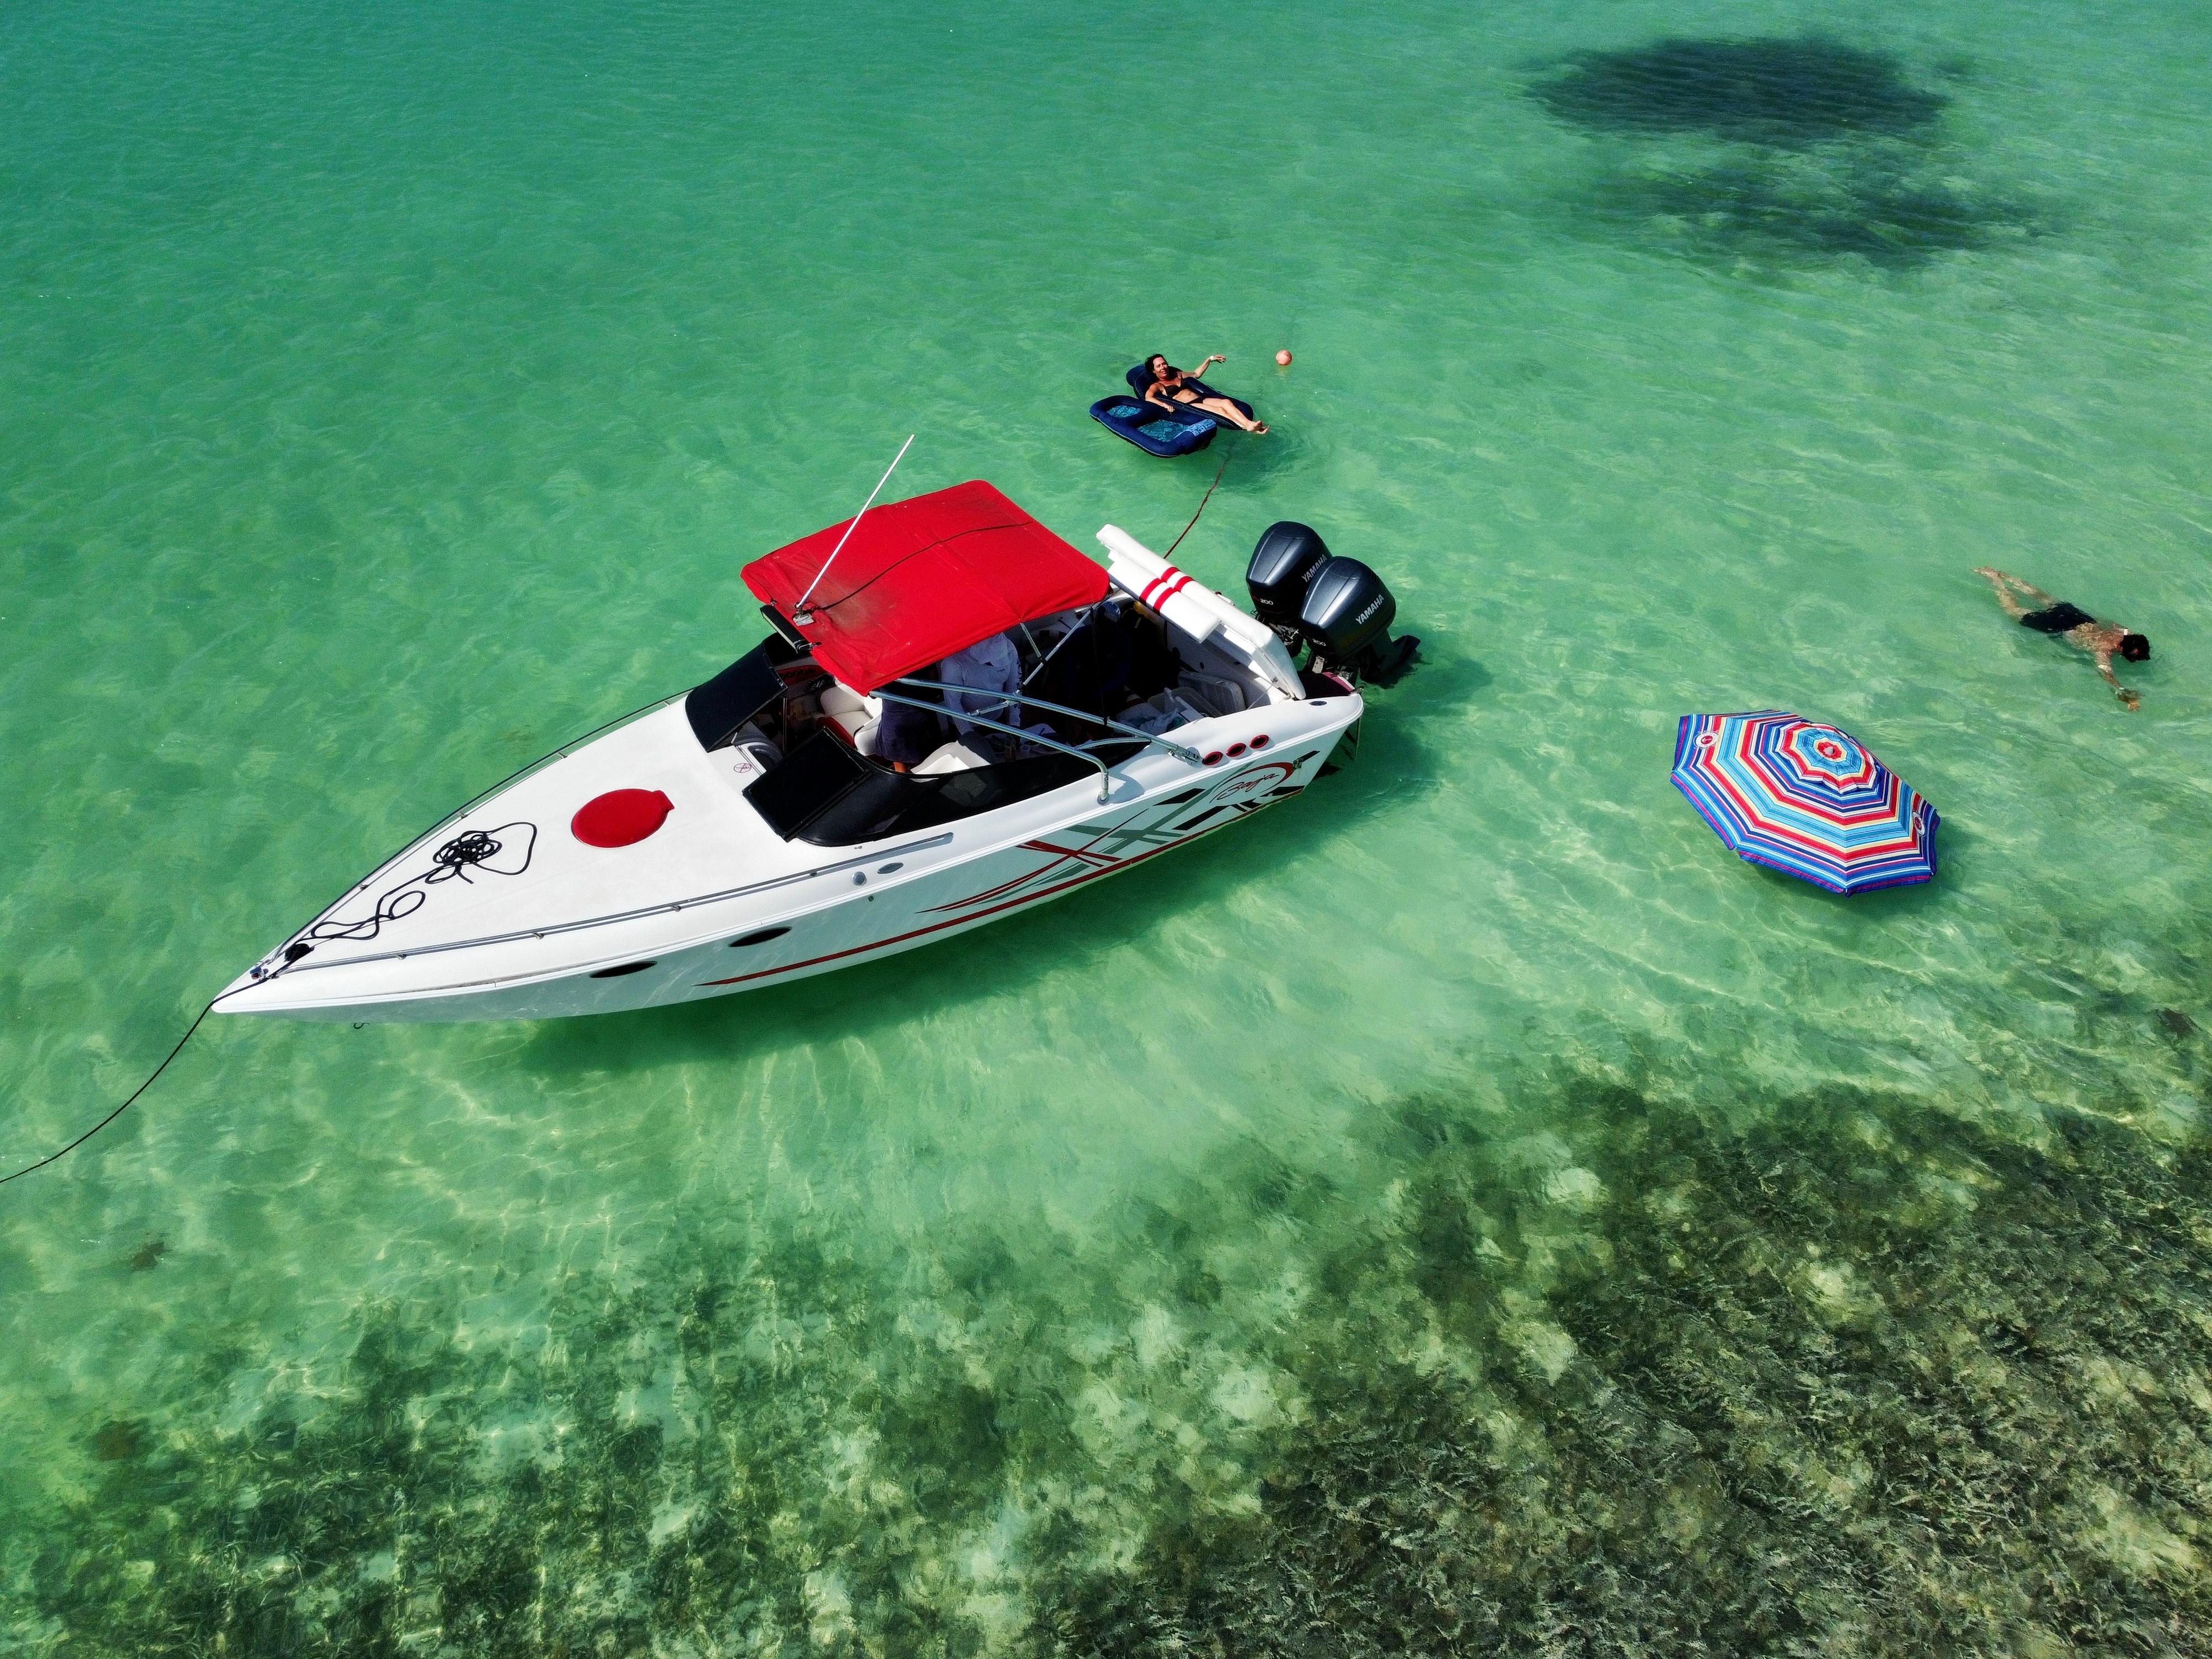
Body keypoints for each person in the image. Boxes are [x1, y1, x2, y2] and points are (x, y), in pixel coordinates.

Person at [1973, 568, 2150, 710]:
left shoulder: (2125, 632)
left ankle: (2006, 576)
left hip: (2080, 619)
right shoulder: (2103, 650)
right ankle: (1994, 580)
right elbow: (2106, 674)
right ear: (2120, 648)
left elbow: (2115, 626)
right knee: (2013, 611)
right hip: (2062, 627)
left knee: (2043, 597)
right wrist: (2124, 693)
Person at [1141, 353, 1268, 434]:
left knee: (1226, 403)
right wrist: (1164, 405)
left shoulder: (1177, 375)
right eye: (1158, 366)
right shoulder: (1158, 385)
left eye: (1164, 364)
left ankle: (1249, 424)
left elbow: (1196, 374)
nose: (1163, 367)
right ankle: (1247, 428)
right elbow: (1148, 397)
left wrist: (1210, 359)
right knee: (1221, 411)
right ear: (1154, 371)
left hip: (1201, 399)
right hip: (1191, 405)